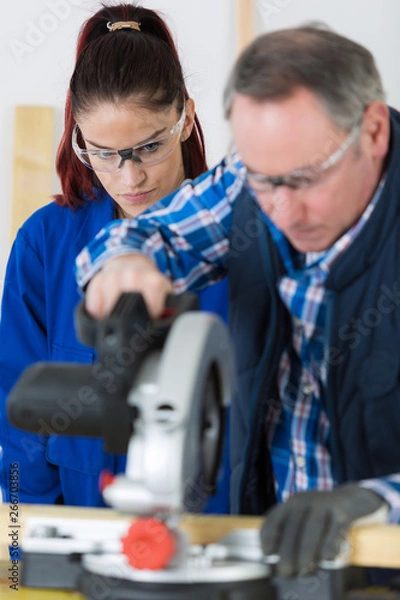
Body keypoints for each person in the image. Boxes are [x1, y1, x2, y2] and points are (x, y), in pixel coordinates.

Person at [75, 24, 400, 579]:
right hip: (274, 562)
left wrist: (375, 501)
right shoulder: (257, 180)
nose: (280, 209)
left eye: (304, 180)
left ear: (371, 131)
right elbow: (149, 236)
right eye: (261, 180)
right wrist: (125, 264)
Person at [0, 2, 230, 511]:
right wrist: (27, 546)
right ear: (80, 139)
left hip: (214, 542)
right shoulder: (46, 242)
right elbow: (20, 424)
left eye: (149, 148)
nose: (131, 178)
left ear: (186, 118)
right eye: (103, 152)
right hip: (85, 540)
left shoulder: (242, 238)